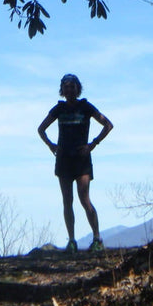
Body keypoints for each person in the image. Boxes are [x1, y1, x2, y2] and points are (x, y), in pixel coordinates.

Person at [36, 73, 114, 253]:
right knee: (67, 201)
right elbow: (41, 129)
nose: (69, 90)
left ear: (78, 89)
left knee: (84, 199)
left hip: (81, 160)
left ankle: (97, 238)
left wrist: (93, 144)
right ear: (62, 90)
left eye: (72, 86)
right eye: (66, 87)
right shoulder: (58, 109)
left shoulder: (85, 107)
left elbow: (107, 125)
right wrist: (51, 146)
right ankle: (71, 241)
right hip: (63, 159)